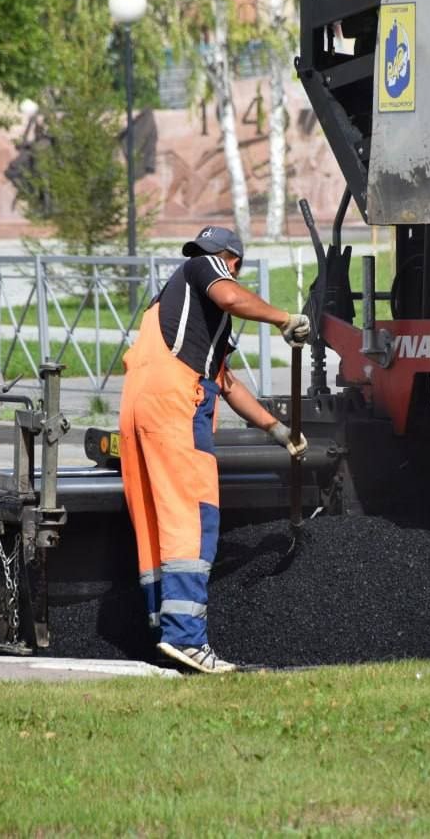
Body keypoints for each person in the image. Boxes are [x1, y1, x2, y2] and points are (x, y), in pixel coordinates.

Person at [119, 226, 311, 673]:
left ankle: (162, 631)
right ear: (234, 262)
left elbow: (226, 381)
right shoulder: (205, 268)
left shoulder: (176, 311)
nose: (212, 262)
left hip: (137, 405)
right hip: (172, 403)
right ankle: (186, 638)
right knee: (193, 513)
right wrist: (284, 318)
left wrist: (277, 430)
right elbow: (228, 296)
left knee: (156, 518)